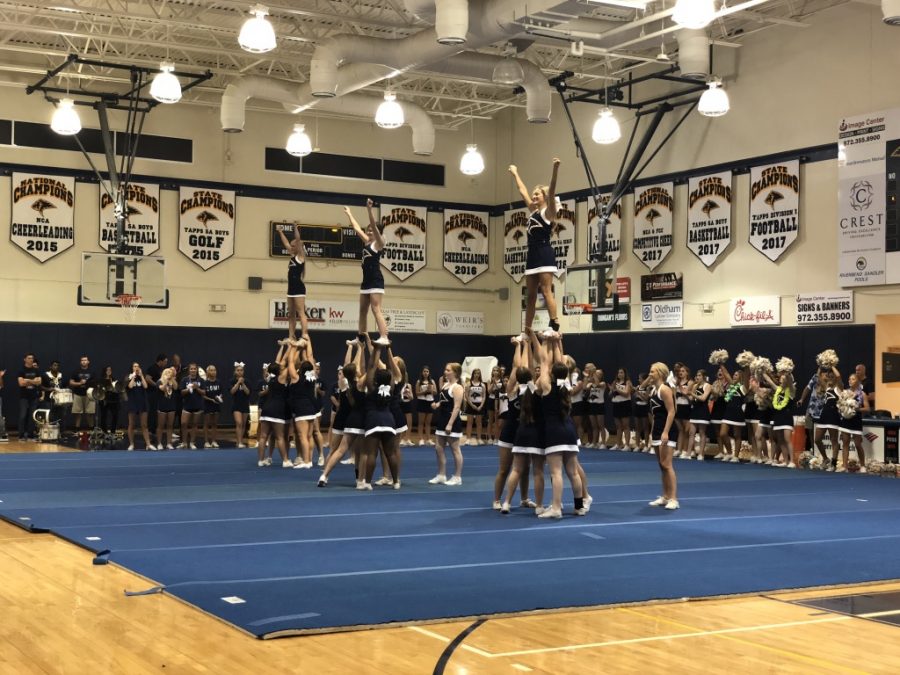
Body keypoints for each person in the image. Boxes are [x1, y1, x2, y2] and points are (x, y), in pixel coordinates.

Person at [529, 330, 585, 519]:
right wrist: (558, 341)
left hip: (554, 432)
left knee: (556, 472)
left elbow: (544, 363)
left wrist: (545, 341)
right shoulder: (566, 385)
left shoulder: (546, 386)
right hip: (569, 431)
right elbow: (560, 364)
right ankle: (579, 506)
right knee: (573, 472)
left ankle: (556, 508)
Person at [508, 158, 562, 335]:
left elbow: (553, 189)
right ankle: (527, 330)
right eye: (534, 194)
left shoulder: (549, 212)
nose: (534, 196)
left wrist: (555, 169)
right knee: (530, 296)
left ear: (545, 197)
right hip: (532, 255)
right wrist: (515, 173)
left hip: (544, 252)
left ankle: (554, 325)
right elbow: (522, 190)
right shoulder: (533, 211)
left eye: (537, 194)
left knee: (546, 291)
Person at [344, 199, 390, 346]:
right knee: (362, 311)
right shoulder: (367, 242)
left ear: (378, 232)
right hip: (366, 281)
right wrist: (349, 214)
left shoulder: (379, 243)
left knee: (375, 309)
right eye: (368, 229)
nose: (369, 231)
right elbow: (357, 228)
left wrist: (369, 210)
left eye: (372, 229)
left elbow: (375, 229)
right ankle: (361, 338)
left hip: (376, 280)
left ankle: (384, 336)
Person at [646, 362, 679, 510]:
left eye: (652, 372)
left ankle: (673, 498)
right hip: (657, 430)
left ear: (660, 373)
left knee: (667, 464)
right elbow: (655, 415)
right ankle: (665, 496)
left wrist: (666, 432)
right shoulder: (654, 390)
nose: (650, 374)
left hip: (668, 430)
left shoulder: (665, 389)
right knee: (661, 466)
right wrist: (653, 433)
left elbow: (671, 411)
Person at [257, 342, 292, 468]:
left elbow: (278, 361)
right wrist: (293, 348)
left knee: (263, 436)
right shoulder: (281, 378)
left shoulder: (270, 377)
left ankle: (261, 461)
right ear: (279, 370)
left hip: (266, 409)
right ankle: (286, 460)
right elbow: (288, 363)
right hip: (277, 410)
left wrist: (284, 347)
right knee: (280, 437)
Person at [429, 362, 465, 486]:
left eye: (448, 370)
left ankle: (457, 477)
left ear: (455, 373)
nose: (445, 372)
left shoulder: (457, 387)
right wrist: (436, 405)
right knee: (438, 448)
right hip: (442, 419)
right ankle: (441, 475)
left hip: (452, 421)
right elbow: (443, 401)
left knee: (455, 449)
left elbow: (457, 407)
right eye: (445, 369)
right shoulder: (445, 385)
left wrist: (450, 424)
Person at [277, 223, 310, 341]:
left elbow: (298, 239)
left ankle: (304, 334)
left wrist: (295, 228)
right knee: (290, 314)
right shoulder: (292, 256)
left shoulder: (300, 256)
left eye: (293, 246)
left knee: (301, 312)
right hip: (290, 289)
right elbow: (285, 243)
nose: (290, 247)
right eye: (291, 246)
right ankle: (291, 336)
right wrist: (280, 232)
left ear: (298, 247)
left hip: (299, 288)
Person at [838, 371, 869, 472]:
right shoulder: (845, 392)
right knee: (845, 443)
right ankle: (844, 466)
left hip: (856, 421)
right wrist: (843, 408)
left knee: (857, 444)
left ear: (858, 381)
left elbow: (867, 409)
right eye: (849, 379)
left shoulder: (862, 394)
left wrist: (856, 409)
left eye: (853, 379)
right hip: (846, 421)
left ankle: (863, 466)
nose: (850, 381)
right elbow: (840, 405)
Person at [126, 362, 155, 450]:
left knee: (144, 425)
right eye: (134, 366)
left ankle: (148, 444)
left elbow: (146, 386)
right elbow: (130, 386)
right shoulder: (128, 377)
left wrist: (141, 375)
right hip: (132, 403)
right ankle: (131, 444)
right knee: (131, 424)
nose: (136, 368)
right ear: (132, 368)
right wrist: (134, 377)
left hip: (142, 403)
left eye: (138, 366)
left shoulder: (142, 376)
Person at [179, 363, 206, 449]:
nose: (193, 370)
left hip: (197, 405)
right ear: (189, 370)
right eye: (191, 369)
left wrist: (197, 388)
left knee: (194, 424)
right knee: (184, 423)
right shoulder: (184, 380)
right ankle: (184, 442)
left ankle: (192, 442)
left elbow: (204, 393)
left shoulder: (201, 380)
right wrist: (188, 389)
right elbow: (181, 392)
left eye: (194, 369)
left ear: (197, 370)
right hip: (187, 405)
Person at [17, 353, 42, 441]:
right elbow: (21, 383)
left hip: (33, 396)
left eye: (32, 358)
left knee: (33, 416)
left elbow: (39, 382)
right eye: (29, 358)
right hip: (24, 396)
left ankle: (31, 435)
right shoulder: (21, 370)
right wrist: (33, 381)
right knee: (23, 415)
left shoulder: (36, 370)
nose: (31, 360)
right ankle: (21, 435)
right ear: (25, 359)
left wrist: (27, 380)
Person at [688, 369, 712, 461]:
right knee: (691, 433)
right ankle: (689, 453)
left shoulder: (708, 385)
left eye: (699, 375)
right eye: (697, 375)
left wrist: (692, 394)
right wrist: (687, 393)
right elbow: (691, 398)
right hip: (695, 410)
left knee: (702, 433)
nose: (697, 377)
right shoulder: (695, 386)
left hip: (703, 410)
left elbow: (703, 398)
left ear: (704, 377)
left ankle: (701, 454)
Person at [68, 355, 96, 431]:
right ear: (80, 362)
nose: (84, 361)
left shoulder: (92, 371)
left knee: (90, 413)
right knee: (77, 413)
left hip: (89, 395)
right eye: (82, 360)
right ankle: (77, 428)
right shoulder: (76, 371)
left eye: (85, 360)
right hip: (78, 394)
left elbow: (95, 383)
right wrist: (79, 383)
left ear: (88, 361)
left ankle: (91, 428)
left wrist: (89, 383)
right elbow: (71, 383)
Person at [144, 353, 167, 435]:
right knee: (153, 411)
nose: (166, 363)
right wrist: (156, 385)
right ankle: (151, 430)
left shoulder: (160, 369)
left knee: (157, 411)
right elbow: (147, 378)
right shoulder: (153, 368)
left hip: (158, 393)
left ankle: (155, 429)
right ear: (160, 361)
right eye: (165, 361)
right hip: (152, 393)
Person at [230, 362, 251, 448]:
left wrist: (243, 383)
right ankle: (238, 442)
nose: (239, 372)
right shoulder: (232, 381)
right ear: (235, 371)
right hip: (236, 405)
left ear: (243, 371)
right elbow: (232, 392)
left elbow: (248, 392)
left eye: (241, 370)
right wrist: (238, 383)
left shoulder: (247, 381)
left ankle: (240, 441)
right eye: (238, 370)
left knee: (243, 424)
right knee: (239, 423)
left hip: (245, 404)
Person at [156, 367, 178, 450]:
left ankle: (169, 443)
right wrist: (166, 380)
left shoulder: (172, 381)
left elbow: (176, 387)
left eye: (170, 372)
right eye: (168, 372)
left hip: (171, 406)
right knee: (160, 426)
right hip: (162, 406)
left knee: (170, 426)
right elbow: (162, 388)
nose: (170, 373)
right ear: (164, 373)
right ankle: (159, 443)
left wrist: (172, 379)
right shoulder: (159, 381)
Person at [202, 364, 223, 448]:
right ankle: (206, 441)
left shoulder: (219, 382)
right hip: (207, 404)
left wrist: (220, 397)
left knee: (214, 423)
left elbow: (221, 392)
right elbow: (203, 395)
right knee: (207, 424)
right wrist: (211, 400)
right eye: (211, 370)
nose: (213, 372)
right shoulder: (205, 383)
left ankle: (214, 441)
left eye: (214, 370)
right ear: (207, 372)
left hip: (216, 405)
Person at [463, 368, 486, 445]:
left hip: (479, 405)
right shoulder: (469, 384)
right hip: (471, 405)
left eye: (478, 373)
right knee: (469, 422)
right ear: (473, 374)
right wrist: (472, 405)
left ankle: (479, 438)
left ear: (480, 375)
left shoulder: (482, 385)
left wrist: (481, 406)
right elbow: (466, 395)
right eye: (475, 373)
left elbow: (484, 396)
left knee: (479, 423)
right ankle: (468, 438)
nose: (477, 375)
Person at [97, 365, 122, 433]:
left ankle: (113, 430)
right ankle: (104, 431)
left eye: (110, 370)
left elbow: (118, 389)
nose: (109, 371)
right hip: (104, 399)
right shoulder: (101, 380)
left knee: (115, 415)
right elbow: (99, 390)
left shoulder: (114, 379)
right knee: (104, 416)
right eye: (107, 370)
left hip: (113, 399)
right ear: (105, 371)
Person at [415, 366, 436, 446]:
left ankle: (428, 439)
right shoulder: (418, 382)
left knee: (428, 423)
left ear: (429, 373)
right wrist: (425, 391)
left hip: (430, 402)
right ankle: (421, 439)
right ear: (422, 372)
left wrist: (431, 390)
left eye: (427, 371)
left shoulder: (432, 381)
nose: (426, 373)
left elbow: (435, 392)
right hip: (422, 402)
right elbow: (416, 393)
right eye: (424, 371)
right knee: (421, 422)